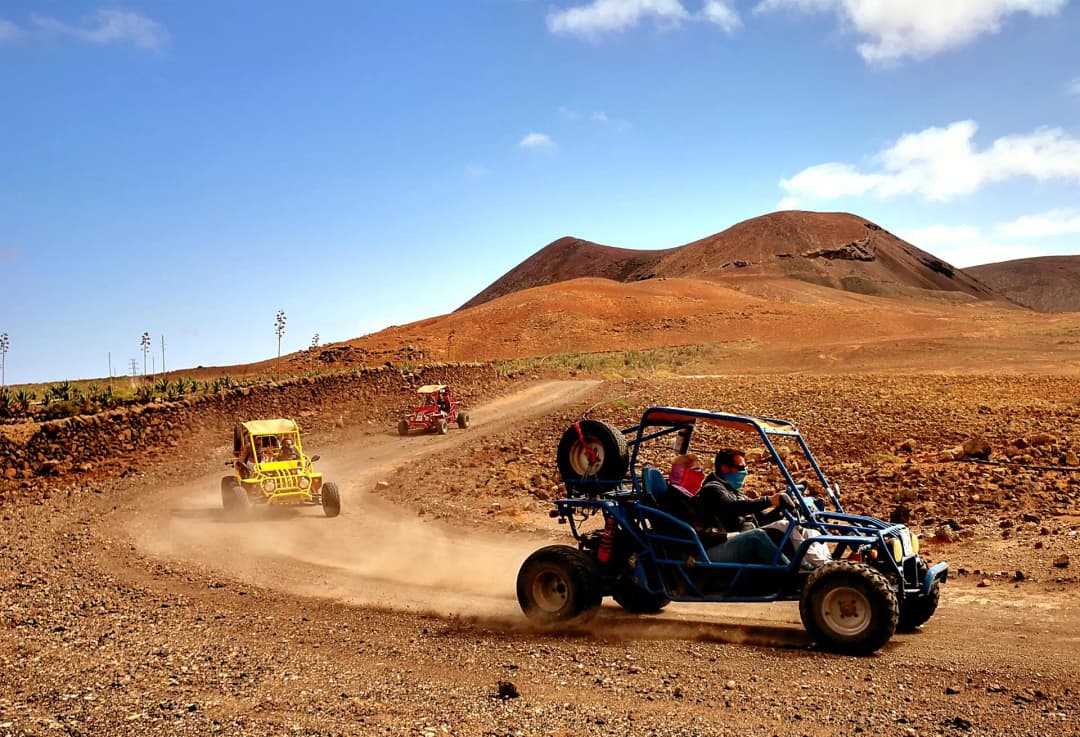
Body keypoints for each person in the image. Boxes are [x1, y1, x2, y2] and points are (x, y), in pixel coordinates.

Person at [696, 447, 830, 568]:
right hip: (723, 543)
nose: (745, 472)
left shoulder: (734, 490)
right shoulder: (712, 489)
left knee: (808, 531)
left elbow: (762, 518)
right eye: (741, 468)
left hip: (742, 536)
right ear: (725, 468)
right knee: (780, 527)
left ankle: (826, 563)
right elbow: (734, 508)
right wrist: (770, 500)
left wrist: (781, 508)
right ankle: (798, 572)